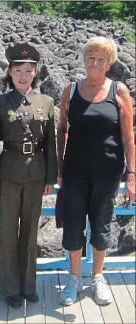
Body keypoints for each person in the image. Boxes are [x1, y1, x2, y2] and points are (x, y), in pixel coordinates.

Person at [57, 36, 135, 306]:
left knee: (101, 226)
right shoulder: (70, 90)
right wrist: (58, 167)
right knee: (74, 226)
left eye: (101, 59)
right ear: (84, 59)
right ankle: (74, 278)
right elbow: (61, 131)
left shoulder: (119, 91)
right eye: (91, 57)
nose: (95, 62)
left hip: (108, 172)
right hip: (75, 172)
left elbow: (127, 137)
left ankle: (97, 277)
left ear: (109, 62)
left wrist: (131, 176)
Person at [0, 41, 57, 308]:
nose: (23, 75)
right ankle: (9, 287)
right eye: (18, 69)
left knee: (29, 233)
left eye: (29, 69)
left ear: (36, 72)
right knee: (7, 232)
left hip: (37, 173)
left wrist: (51, 177)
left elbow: (51, 144)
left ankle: (28, 286)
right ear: (10, 72)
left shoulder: (46, 102)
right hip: (9, 173)